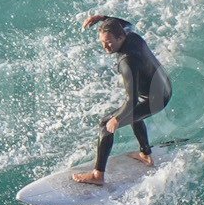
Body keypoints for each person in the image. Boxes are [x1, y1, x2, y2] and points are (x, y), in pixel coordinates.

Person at [73, 12, 171, 183]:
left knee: (105, 124)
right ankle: (145, 155)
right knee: (133, 115)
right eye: (102, 43)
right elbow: (126, 23)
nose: (106, 48)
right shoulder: (131, 34)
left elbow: (131, 101)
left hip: (155, 99)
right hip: (165, 86)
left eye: (109, 43)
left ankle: (97, 175)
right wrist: (103, 18)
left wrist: (116, 119)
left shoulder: (127, 62)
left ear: (120, 37)